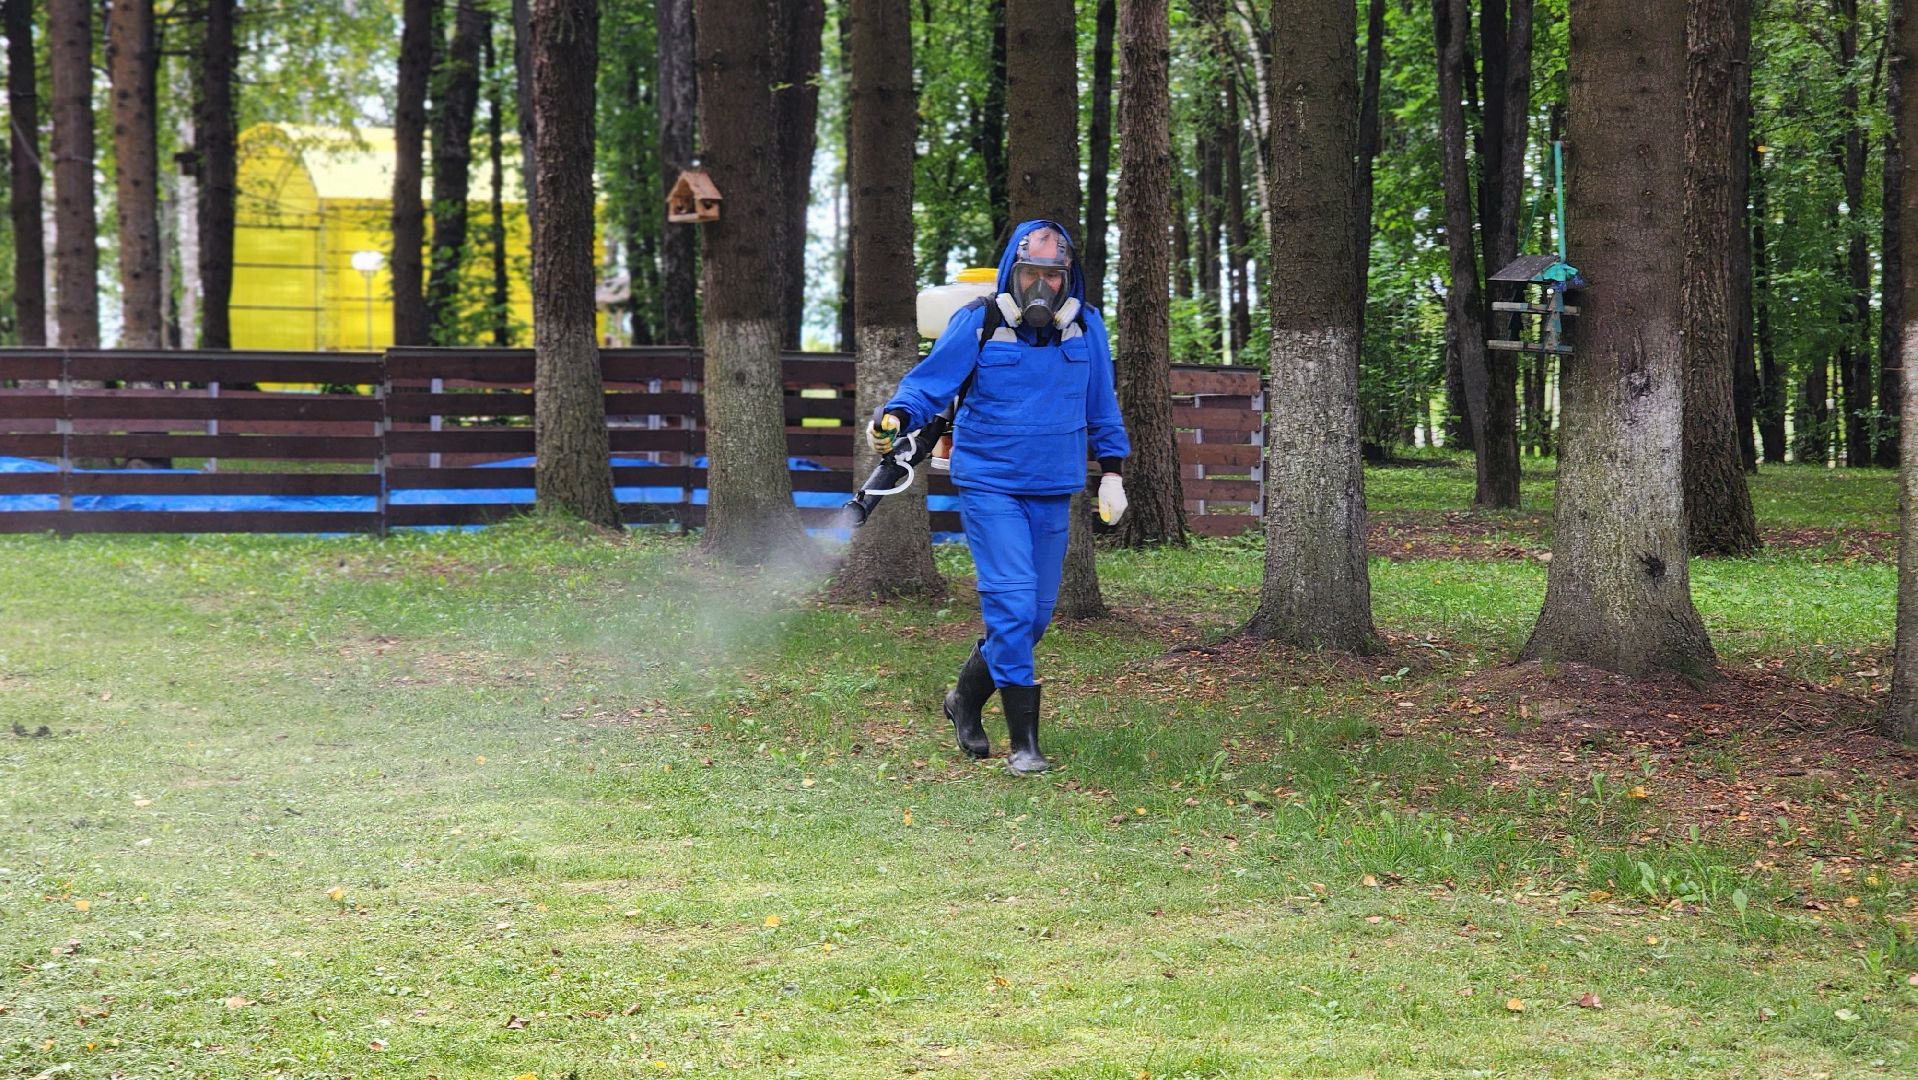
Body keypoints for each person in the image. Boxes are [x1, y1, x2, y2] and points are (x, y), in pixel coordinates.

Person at [867, 220, 1130, 775]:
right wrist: (894, 416)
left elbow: (1102, 406)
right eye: (1031, 272)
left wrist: (1113, 473)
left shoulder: (1086, 329)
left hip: (1054, 487)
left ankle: (964, 697)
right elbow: (927, 384)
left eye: (1052, 275)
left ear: (1068, 277)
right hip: (991, 484)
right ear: (1014, 270)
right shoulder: (980, 320)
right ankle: (1025, 744)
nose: (1041, 285)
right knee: (1011, 605)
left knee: (1033, 618)